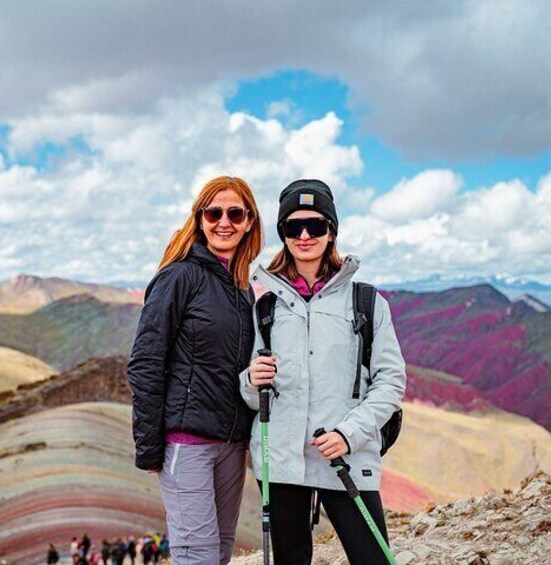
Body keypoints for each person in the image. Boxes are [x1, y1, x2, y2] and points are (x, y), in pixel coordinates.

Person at [241, 179, 406, 564]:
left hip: (347, 456)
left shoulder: (367, 302)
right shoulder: (265, 307)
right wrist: (251, 380)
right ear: (283, 234)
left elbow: (390, 381)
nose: (304, 235)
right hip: (281, 461)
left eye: (315, 225)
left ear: (331, 231)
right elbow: (250, 395)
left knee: (372, 559)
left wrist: (349, 435)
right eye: (293, 226)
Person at [128, 176, 264, 564]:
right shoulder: (179, 276)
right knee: (196, 555)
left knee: (219, 551)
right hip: (187, 444)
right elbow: (145, 362)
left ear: (249, 221)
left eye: (235, 213)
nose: (224, 222)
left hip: (231, 443)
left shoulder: (241, 286)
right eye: (214, 212)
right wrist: (150, 448)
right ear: (199, 218)